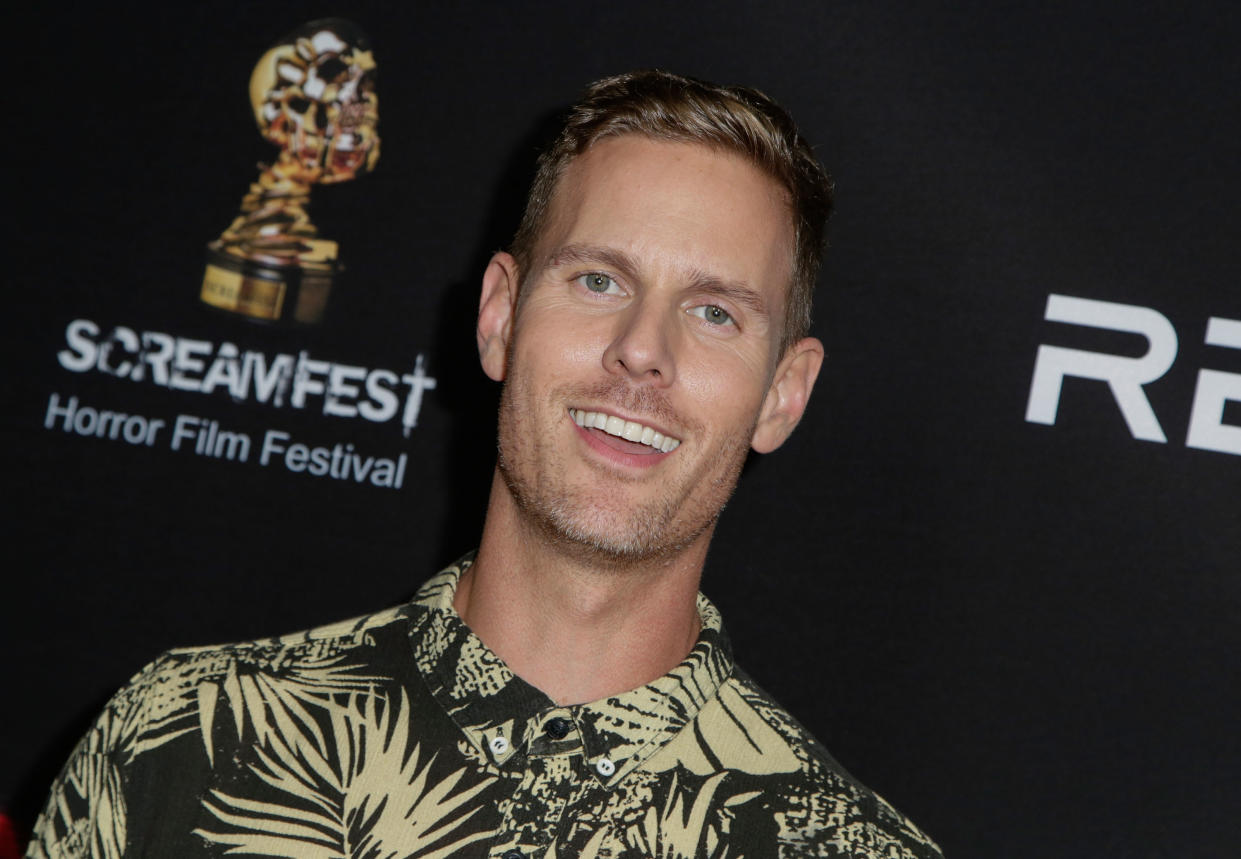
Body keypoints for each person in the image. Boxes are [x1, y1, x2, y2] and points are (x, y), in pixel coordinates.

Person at [28, 70, 943, 858]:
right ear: (499, 314)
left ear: (782, 393)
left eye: (714, 313)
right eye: (598, 280)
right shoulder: (182, 737)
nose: (640, 350)